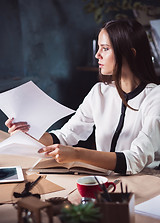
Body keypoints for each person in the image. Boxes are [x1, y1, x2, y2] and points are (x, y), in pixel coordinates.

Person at [5, 19, 160, 175]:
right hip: (105, 179)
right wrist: (29, 136)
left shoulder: (155, 97)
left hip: (146, 181)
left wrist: (78, 154)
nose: (97, 55)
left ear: (130, 54)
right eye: (99, 48)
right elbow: (67, 134)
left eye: (105, 49)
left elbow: (135, 159)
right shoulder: (99, 92)